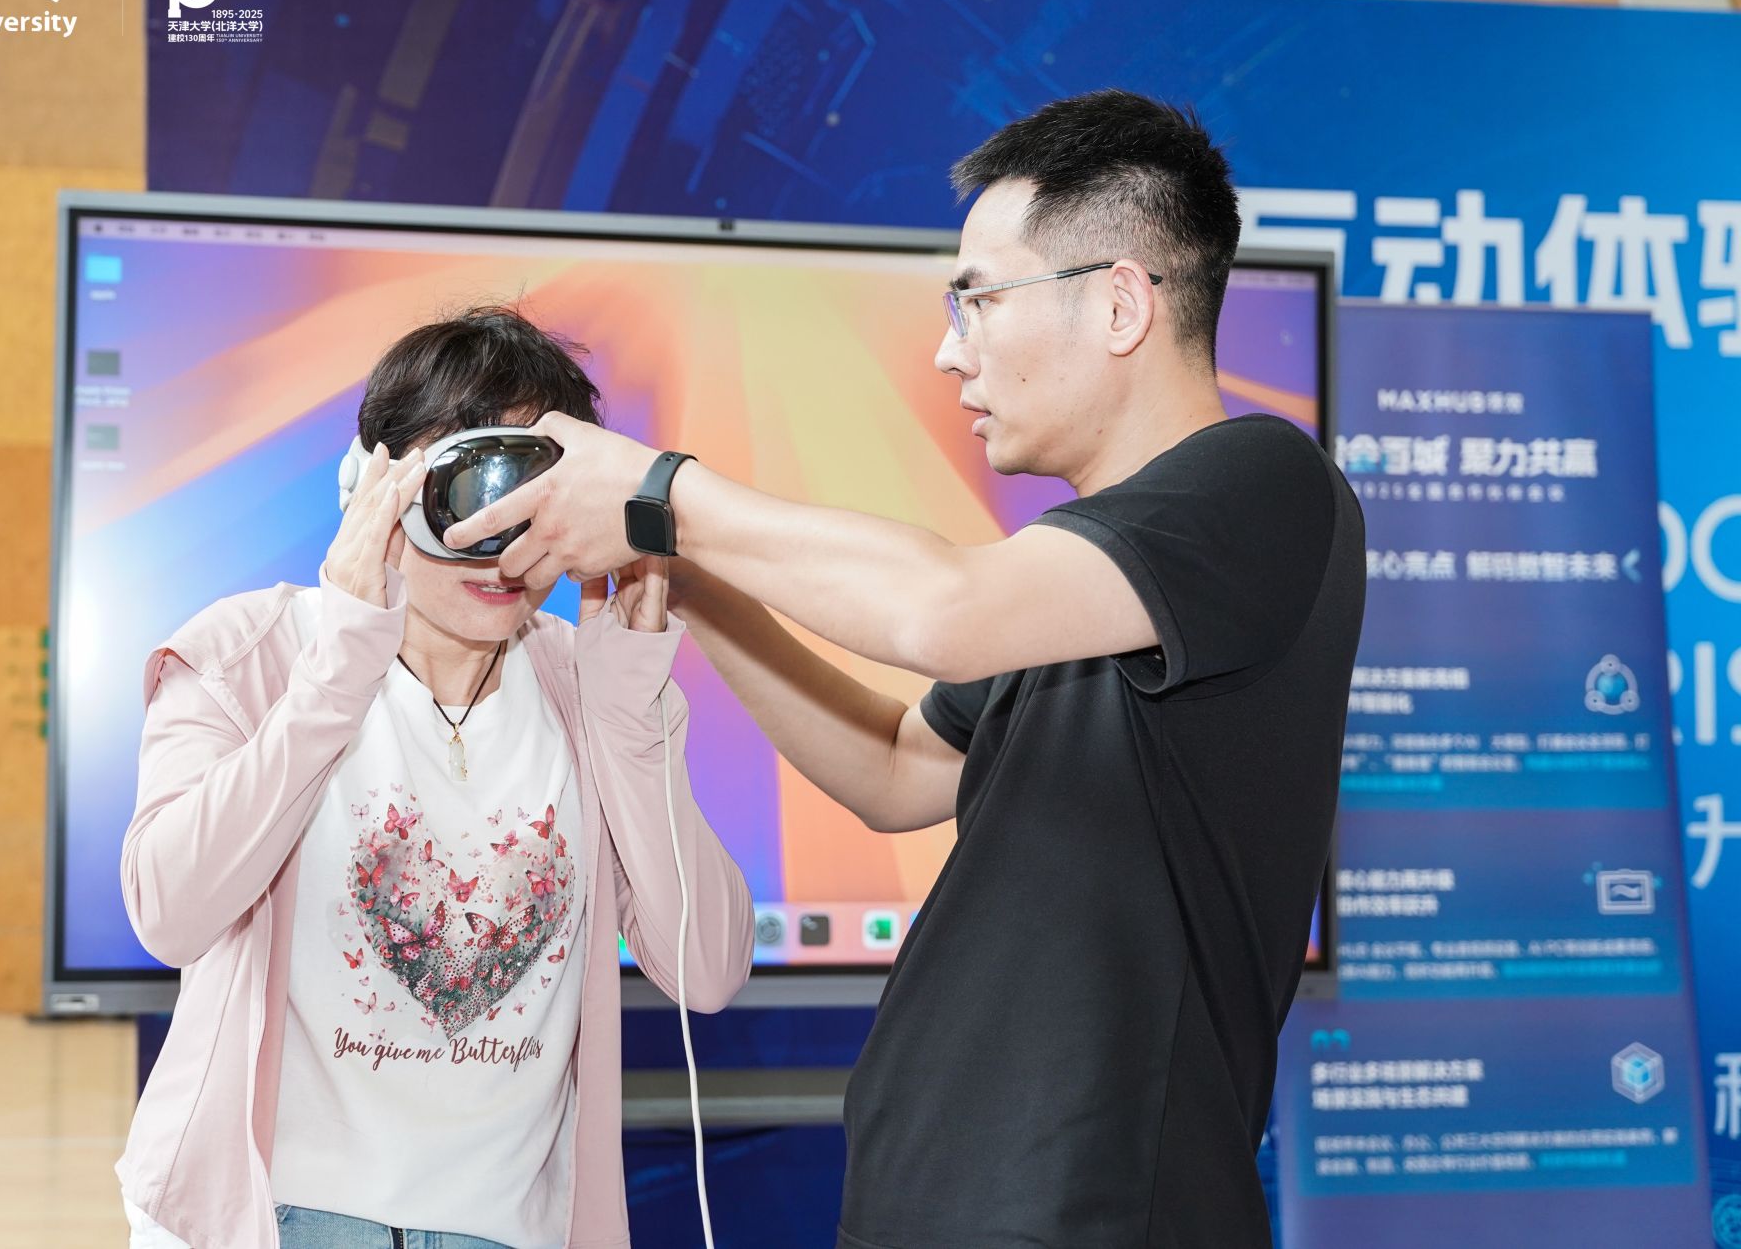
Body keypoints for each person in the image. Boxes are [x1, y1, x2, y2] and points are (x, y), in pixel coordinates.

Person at [438, 91, 1367, 1248]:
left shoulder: (1262, 483)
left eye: (977, 300)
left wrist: (656, 491)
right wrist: (681, 568)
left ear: (1120, 303)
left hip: (1092, 1210)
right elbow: (890, 767)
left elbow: (939, 612)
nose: (947, 349)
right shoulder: (1077, 586)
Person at [113, 306, 755, 1249]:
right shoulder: (247, 655)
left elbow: (708, 968)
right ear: (373, 485)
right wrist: (336, 671)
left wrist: (629, 716)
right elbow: (170, 912)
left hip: (503, 1227)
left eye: (534, 501)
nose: (501, 543)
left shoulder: (586, 686)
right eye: (468, 490)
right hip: (271, 1216)